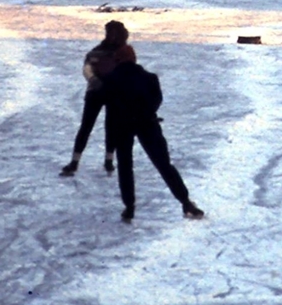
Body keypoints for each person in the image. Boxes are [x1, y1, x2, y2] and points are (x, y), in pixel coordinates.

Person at [96, 49, 205, 222]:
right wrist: (144, 114)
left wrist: (109, 152)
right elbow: (156, 101)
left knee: (125, 167)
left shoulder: (110, 80)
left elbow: (110, 115)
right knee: (164, 164)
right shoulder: (150, 78)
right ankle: (185, 201)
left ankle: (129, 207)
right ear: (134, 58)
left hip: (122, 126)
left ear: (117, 60)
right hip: (148, 124)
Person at [60, 20, 133, 178]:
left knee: (98, 127)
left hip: (103, 92)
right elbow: (89, 69)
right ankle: (105, 161)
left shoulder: (104, 52)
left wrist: (95, 81)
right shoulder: (120, 52)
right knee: (99, 126)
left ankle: (79, 162)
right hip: (105, 92)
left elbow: (88, 69)